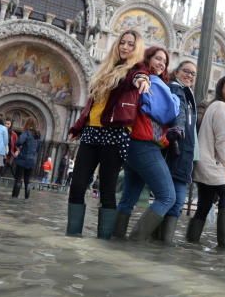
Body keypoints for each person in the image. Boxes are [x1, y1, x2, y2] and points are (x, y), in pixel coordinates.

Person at [66, 30, 146, 239]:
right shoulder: (105, 70)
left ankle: (104, 241)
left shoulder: (134, 70)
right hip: (92, 132)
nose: (125, 47)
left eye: (131, 44)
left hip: (115, 133)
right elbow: (91, 105)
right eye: (123, 43)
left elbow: (138, 76)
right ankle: (72, 237)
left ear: (136, 49)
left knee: (107, 189)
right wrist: (78, 127)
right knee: (77, 186)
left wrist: (142, 81)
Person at [115, 45, 180, 242]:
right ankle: (136, 242)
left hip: (134, 146)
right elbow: (169, 112)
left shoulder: (145, 79)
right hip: (145, 145)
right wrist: (175, 100)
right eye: (158, 59)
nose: (161, 63)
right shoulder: (150, 81)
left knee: (128, 200)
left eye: (165, 61)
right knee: (168, 197)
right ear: (148, 59)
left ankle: (115, 241)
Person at [187, 77, 225, 248]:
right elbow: (221, 138)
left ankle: (191, 241)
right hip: (209, 160)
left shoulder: (218, 106)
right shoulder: (220, 106)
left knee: (204, 203)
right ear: (220, 90)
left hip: (204, 159)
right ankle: (224, 243)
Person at [161, 60, 198, 245]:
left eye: (193, 74)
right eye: (186, 71)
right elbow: (180, 114)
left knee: (174, 202)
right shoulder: (176, 89)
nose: (189, 75)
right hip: (176, 151)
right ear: (177, 72)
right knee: (173, 201)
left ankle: (158, 241)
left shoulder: (187, 93)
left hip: (184, 154)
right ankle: (159, 242)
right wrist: (178, 129)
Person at [12, 119, 41, 199]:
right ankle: (26, 197)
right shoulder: (37, 135)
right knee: (27, 180)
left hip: (22, 159)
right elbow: (38, 149)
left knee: (18, 179)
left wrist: (20, 146)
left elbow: (19, 141)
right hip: (31, 160)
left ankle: (14, 197)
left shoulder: (26, 133)